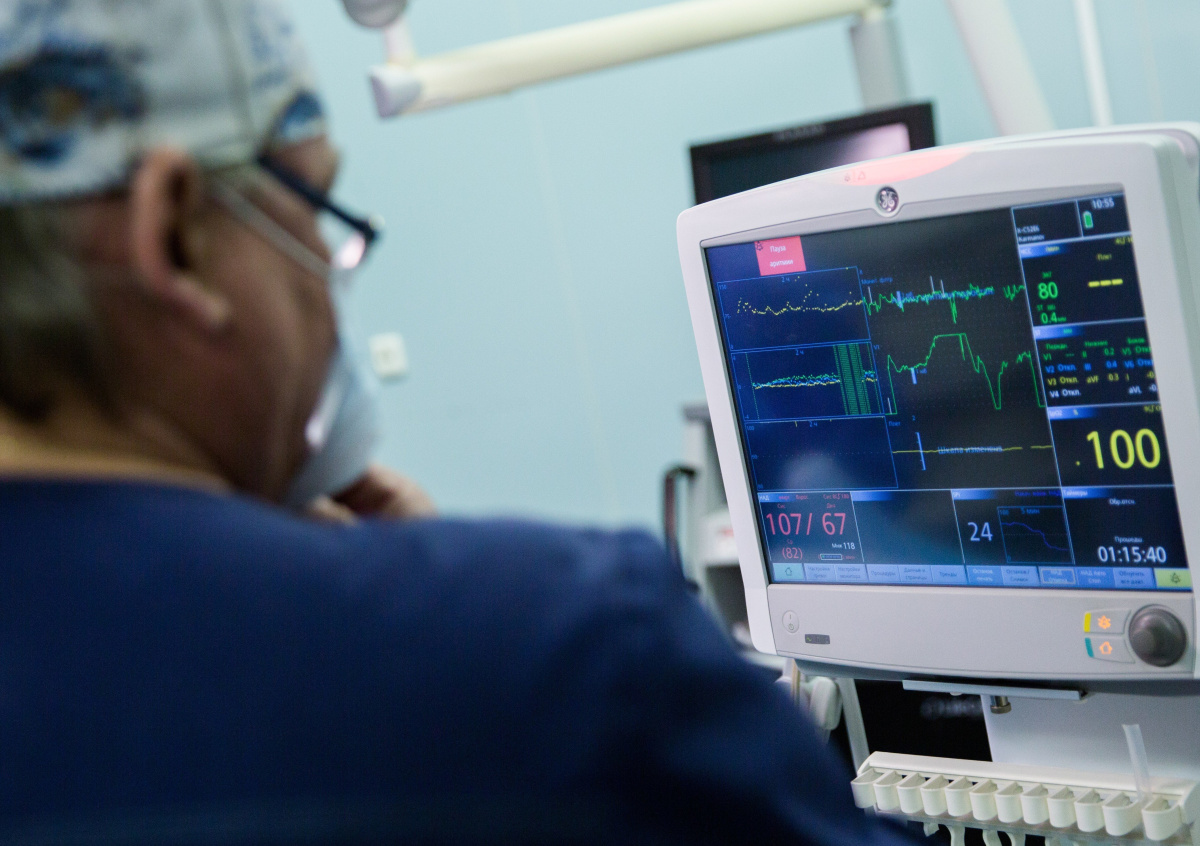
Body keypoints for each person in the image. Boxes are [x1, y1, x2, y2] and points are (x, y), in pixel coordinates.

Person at [0, 2, 917, 843]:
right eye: (316, 212)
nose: (326, 271)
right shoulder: (561, 658)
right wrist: (431, 601)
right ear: (172, 236)